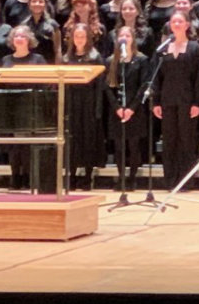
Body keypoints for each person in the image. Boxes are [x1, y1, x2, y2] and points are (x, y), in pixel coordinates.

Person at [149, 12, 199, 190]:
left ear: (187, 25)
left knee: (186, 140)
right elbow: (157, 77)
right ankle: (170, 180)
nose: (177, 24)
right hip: (167, 99)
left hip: (187, 100)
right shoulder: (163, 48)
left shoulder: (195, 47)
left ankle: (186, 180)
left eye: (180, 21)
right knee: (169, 140)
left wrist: (197, 102)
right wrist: (155, 102)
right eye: (174, 21)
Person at [62, 22, 107, 190]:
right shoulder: (66, 58)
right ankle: (71, 176)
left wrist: (97, 109)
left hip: (89, 102)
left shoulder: (95, 57)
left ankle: (88, 177)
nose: (79, 39)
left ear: (88, 38)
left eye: (82, 36)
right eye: (76, 36)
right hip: (72, 102)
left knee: (88, 140)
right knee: (71, 140)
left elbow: (100, 86)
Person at [109, 26, 151, 186]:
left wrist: (132, 108)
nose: (124, 37)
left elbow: (143, 85)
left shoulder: (141, 60)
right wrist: (117, 107)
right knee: (119, 146)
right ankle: (121, 178)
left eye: (128, 35)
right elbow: (107, 87)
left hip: (135, 109)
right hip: (117, 110)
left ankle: (132, 178)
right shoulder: (112, 61)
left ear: (133, 38)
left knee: (134, 145)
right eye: (121, 35)